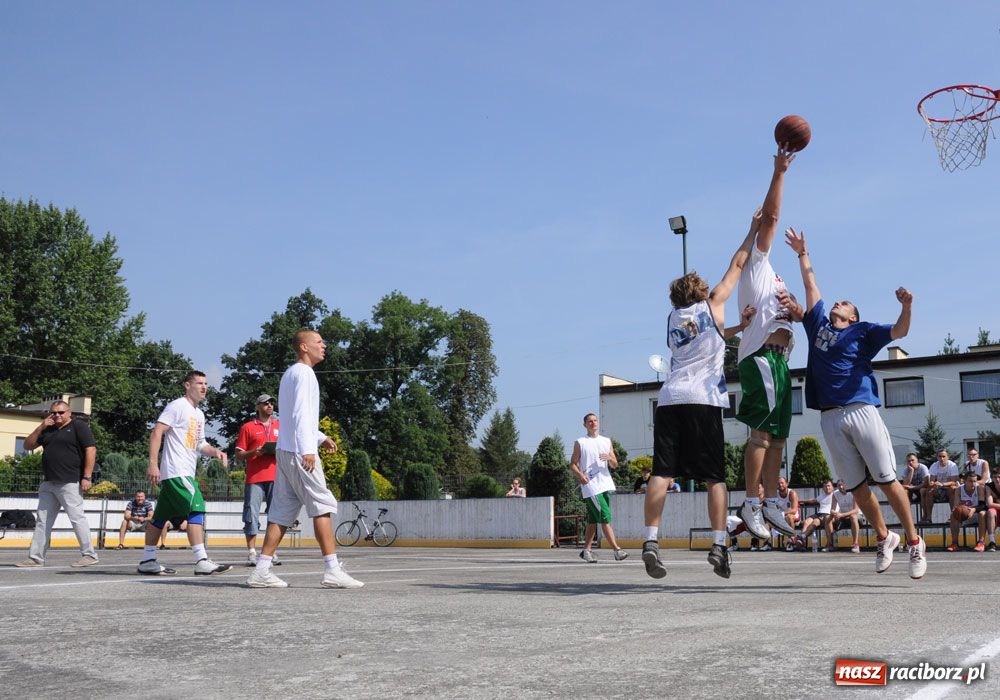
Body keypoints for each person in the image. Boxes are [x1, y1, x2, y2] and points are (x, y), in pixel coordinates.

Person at [780, 227, 926, 578]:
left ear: (853, 316)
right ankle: (883, 536)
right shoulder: (817, 325)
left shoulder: (862, 332)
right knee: (858, 488)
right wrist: (802, 252)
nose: (836, 302)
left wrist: (906, 306)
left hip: (861, 409)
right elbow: (811, 285)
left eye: (844, 303)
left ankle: (914, 542)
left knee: (888, 480)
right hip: (830, 416)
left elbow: (900, 332)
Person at [642, 207, 758, 580]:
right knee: (715, 478)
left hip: (670, 398)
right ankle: (720, 545)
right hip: (703, 400)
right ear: (701, 291)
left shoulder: (673, 320)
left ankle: (650, 540)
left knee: (662, 472)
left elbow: (710, 338)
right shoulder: (713, 304)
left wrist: (740, 325)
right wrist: (753, 228)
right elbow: (738, 263)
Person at [247, 329, 362, 589]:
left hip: (287, 451)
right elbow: (299, 414)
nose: (325, 345)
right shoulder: (304, 373)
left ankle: (261, 570)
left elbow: (294, 417)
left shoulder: (291, 374)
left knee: (281, 511)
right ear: (304, 347)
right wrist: (308, 449)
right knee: (322, 504)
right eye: (319, 342)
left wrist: (320, 437)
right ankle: (332, 570)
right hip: (299, 451)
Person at [735, 147, 801, 542]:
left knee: (778, 437)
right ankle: (750, 501)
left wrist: (794, 309)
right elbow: (772, 217)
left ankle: (774, 502)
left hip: (779, 360)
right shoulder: (757, 263)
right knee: (761, 435)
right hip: (760, 356)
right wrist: (779, 172)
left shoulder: (775, 278)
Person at [137, 370, 232, 576]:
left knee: (160, 518)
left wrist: (215, 451)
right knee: (196, 507)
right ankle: (201, 560)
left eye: (206, 383)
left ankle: (147, 560)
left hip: (183, 472)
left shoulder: (199, 414)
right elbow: (157, 432)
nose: (204, 387)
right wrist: (153, 464)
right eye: (199, 383)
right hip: (176, 471)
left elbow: (200, 444)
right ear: (187, 385)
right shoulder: (177, 406)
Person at [15, 400, 99, 568]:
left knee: (77, 519)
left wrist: (87, 477)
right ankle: (36, 558)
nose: (57, 415)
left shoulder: (78, 426)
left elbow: (91, 449)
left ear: (69, 413)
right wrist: (41, 426)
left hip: (70, 482)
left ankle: (89, 555)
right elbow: (27, 445)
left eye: (61, 412)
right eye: (54, 412)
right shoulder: (48, 429)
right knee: (42, 521)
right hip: (49, 483)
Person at [570, 413, 627, 563]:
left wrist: (610, 458)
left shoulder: (606, 441)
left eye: (595, 421)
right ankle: (617, 550)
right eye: (590, 421)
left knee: (593, 519)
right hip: (591, 486)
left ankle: (587, 551)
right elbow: (572, 464)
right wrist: (580, 475)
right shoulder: (580, 442)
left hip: (605, 484)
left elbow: (615, 464)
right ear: (585, 425)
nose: (593, 423)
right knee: (605, 517)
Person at [233, 394, 282, 567]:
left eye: (271, 403)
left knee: (275, 515)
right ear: (257, 406)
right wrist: (254, 452)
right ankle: (252, 553)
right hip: (254, 478)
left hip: (276, 476)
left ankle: (270, 552)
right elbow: (238, 455)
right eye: (265, 403)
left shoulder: (280, 426)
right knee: (251, 514)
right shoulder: (248, 427)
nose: (270, 405)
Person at [946, 471, 988, 552]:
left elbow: (983, 506)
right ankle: (954, 543)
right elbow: (956, 506)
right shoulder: (959, 489)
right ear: (965, 481)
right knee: (953, 515)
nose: (973, 483)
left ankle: (981, 543)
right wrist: (960, 509)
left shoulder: (979, 488)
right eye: (970, 481)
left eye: (975, 481)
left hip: (976, 514)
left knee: (982, 513)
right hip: (965, 515)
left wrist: (973, 509)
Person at [795, 479, 834, 551]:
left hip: (827, 514)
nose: (827, 488)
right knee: (806, 521)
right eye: (825, 486)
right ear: (823, 488)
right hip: (819, 514)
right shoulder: (822, 495)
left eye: (828, 486)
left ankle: (802, 536)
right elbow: (813, 500)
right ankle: (801, 542)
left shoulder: (834, 495)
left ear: (832, 487)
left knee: (815, 522)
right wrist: (800, 501)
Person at [921, 450, 960, 520]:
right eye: (940, 456)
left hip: (949, 488)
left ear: (947, 457)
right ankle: (928, 517)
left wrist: (942, 484)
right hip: (938, 488)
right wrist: (932, 483)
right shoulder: (934, 465)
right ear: (937, 457)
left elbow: (954, 481)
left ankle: (953, 516)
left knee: (953, 489)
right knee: (929, 490)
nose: (942, 458)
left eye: (944, 456)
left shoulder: (952, 465)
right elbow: (932, 480)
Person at [827, 479, 861, 553]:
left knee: (853, 516)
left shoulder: (853, 492)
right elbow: (832, 509)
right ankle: (830, 545)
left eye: (842, 484)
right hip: (843, 517)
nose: (841, 487)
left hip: (857, 517)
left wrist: (842, 515)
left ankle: (855, 544)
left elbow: (856, 510)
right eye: (839, 485)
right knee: (828, 518)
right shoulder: (835, 494)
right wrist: (835, 513)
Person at [900, 453, 930, 521]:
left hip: (922, 491)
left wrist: (913, 487)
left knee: (923, 490)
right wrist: (911, 471)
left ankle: (925, 515)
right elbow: (905, 484)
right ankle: (907, 517)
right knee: (905, 492)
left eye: (912, 460)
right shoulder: (906, 470)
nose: (910, 462)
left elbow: (926, 484)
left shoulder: (923, 468)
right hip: (913, 491)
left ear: (917, 461)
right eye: (908, 461)